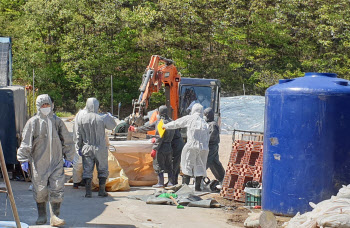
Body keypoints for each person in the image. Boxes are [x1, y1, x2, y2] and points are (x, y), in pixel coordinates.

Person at [17, 94, 74, 227]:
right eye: (43, 105)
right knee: (40, 189)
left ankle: (55, 216)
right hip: (39, 162)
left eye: (47, 105)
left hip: (56, 161)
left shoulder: (57, 121)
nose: (46, 107)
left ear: (51, 105)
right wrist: (23, 158)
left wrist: (69, 157)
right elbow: (26, 142)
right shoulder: (33, 122)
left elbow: (67, 140)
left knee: (57, 187)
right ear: (38, 107)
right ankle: (42, 215)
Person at [163, 103, 209, 191]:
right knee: (200, 166)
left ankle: (185, 187)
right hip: (204, 148)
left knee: (187, 164)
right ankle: (198, 188)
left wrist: (165, 126)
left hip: (191, 145)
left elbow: (177, 123)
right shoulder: (204, 123)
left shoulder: (190, 118)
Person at [76, 98, 116, 198]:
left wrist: (79, 147)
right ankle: (101, 191)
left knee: (87, 170)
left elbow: (79, 135)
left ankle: (88, 192)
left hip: (87, 147)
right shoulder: (102, 118)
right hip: (100, 148)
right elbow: (112, 126)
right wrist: (109, 116)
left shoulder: (82, 119)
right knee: (102, 169)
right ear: (97, 106)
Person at [130, 105, 175, 188]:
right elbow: (149, 127)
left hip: (161, 147)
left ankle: (160, 183)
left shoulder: (160, 122)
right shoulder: (171, 122)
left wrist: (154, 148)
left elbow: (159, 137)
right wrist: (136, 129)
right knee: (169, 165)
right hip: (169, 146)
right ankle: (171, 182)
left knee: (159, 164)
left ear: (160, 112)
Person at [204, 107, 225, 183]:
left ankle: (199, 177)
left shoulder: (212, 125)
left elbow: (212, 136)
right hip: (211, 146)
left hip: (212, 146)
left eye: (205, 115)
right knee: (215, 163)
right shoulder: (208, 124)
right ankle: (222, 177)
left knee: (206, 162)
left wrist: (205, 140)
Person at [72, 107, 87, 189]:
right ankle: (77, 181)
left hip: (80, 142)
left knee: (79, 162)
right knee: (80, 162)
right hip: (82, 142)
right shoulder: (84, 114)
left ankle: (77, 181)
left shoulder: (80, 113)